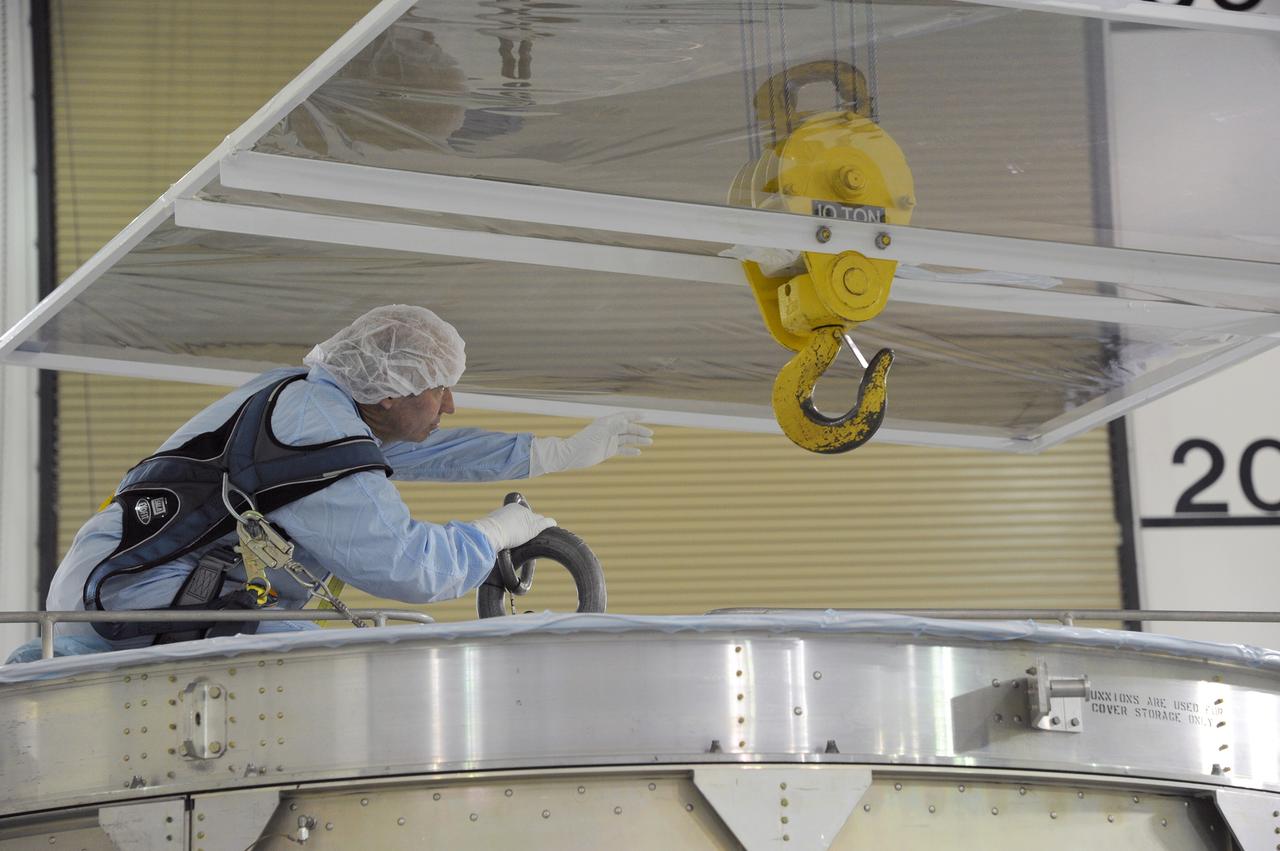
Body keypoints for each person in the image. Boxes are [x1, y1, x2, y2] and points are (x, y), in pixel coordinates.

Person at [6, 305, 651, 662]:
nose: (450, 405)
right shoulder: (317, 430)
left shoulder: (304, 396)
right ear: (391, 390)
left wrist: (550, 453)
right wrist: (495, 533)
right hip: (143, 604)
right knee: (317, 671)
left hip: (107, 592)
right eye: (439, 389)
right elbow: (412, 569)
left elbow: (414, 450)